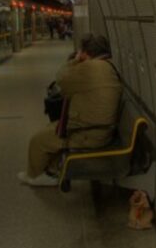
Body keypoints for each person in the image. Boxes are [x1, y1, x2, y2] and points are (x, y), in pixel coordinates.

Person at [19, 34, 122, 187]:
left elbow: (61, 78)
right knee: (51, 129)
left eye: (82, 51)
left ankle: (35, 176)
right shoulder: (108, 65)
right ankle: (53, 169)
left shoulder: (90, 68)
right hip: (102, 131)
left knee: (38, 140)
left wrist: (75, 60)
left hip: (88, 134)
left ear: (86, 53)